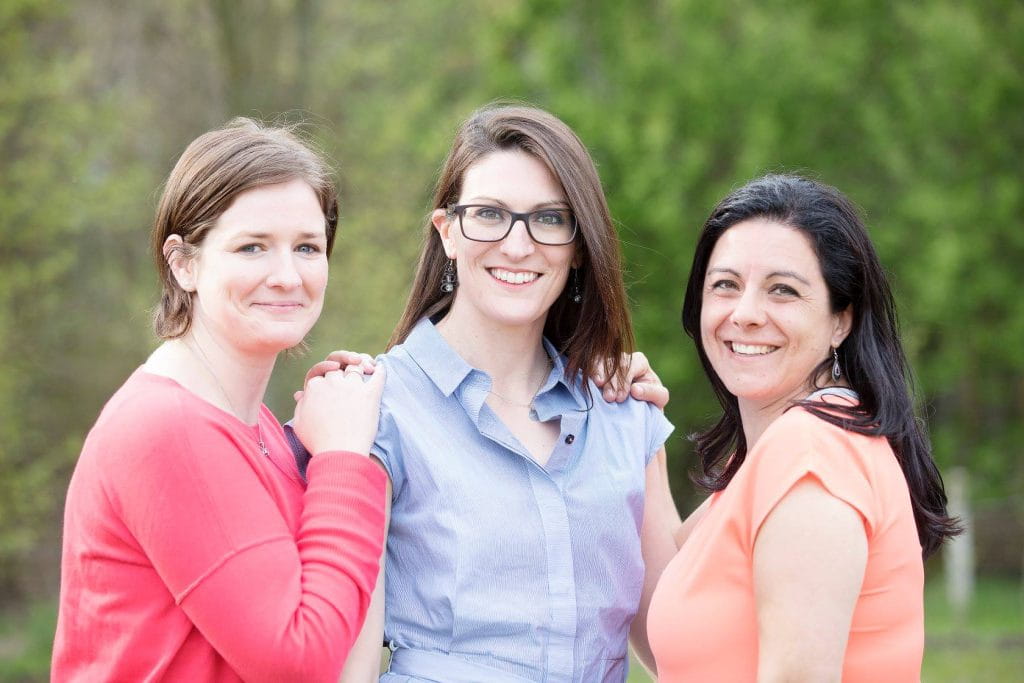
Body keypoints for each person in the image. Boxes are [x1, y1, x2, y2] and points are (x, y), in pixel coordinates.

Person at [313, 105, 678, 683]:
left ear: (578, 247)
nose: (517, 245)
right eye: (489, 214)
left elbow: (678, 642)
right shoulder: (374, 409)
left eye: (549, 219)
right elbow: (346, 666)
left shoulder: (625, 412)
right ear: (448, 232)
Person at [52, 119, 388, 682]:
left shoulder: (254, 425)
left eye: (307, 247)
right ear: (183, 263)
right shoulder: (166, 428)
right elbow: (298, 662)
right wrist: (343, 459)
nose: (287, 276)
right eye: (253, 247)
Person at [644, 174, 960, 681]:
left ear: (841, 320)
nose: (745, 313)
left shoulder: (810, 454)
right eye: (725, 285)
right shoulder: (789, 445)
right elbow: (669, 604)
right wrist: (638, 432)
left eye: (783, 290)